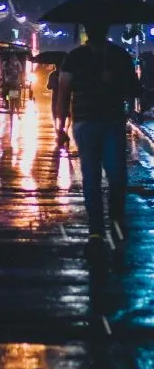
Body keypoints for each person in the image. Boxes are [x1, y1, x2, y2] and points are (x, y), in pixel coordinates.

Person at [56, 20, 140, 254]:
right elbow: (134, 89)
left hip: (90, 123)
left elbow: (62, 94)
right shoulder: (118, 55)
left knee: (93, 177)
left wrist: (60, 128)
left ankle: (99, 228)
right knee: (114, 175)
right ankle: (110, 223)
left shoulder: (76, 57)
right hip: (105, 122)